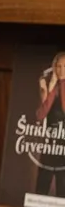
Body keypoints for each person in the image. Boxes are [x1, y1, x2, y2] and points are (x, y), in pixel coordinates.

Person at [35, 52, 65, 196]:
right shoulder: (49, 85)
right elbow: (41, 115)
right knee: (41, 188)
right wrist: (49, 90)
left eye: (64, 66)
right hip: (49, 145)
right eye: (58, 66)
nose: (61, 70)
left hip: (64, 147)